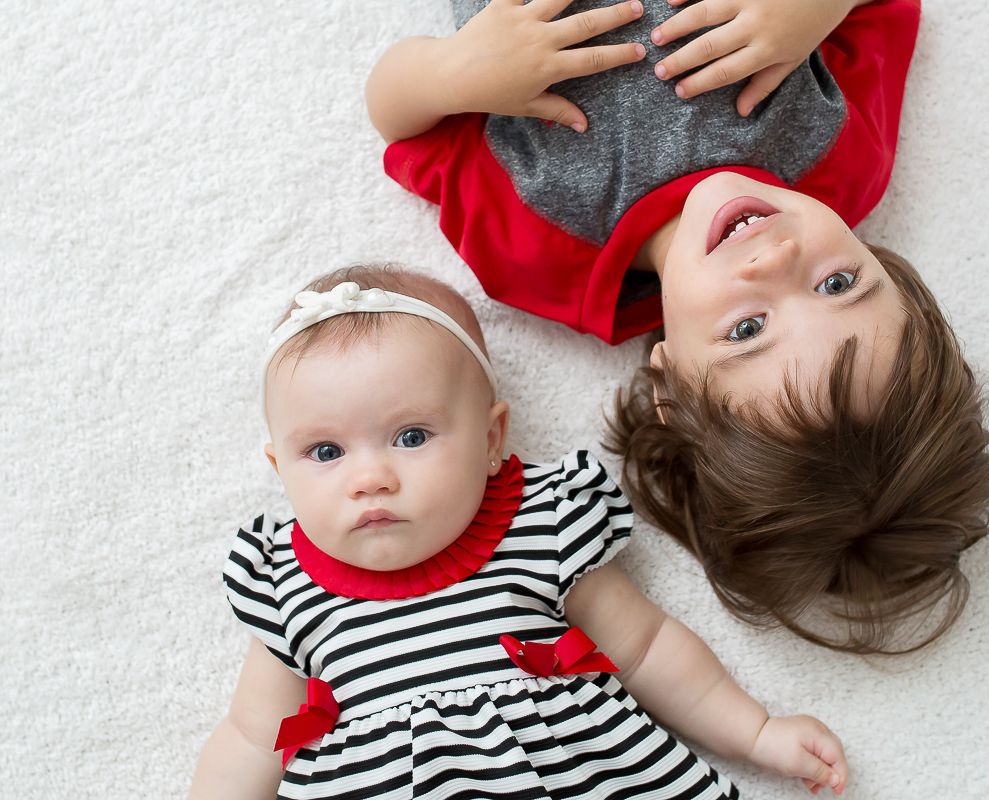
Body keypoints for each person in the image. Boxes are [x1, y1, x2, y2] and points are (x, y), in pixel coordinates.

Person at [365, 0, 989, 655]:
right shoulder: (843, 153)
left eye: (749, 328)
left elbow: (401, 122)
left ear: (668, 386)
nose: (778, 258)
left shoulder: (538, 252)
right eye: (838, 285)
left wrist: (454, 69)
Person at [187, 264, 849, 799]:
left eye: (411, 436)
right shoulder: (284, 584)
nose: (371, 477)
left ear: (491, 438)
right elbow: (251, 737)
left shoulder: (540, 524)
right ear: (280, 468)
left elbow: (645, 649)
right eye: (326, 453)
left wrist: (756, 733)